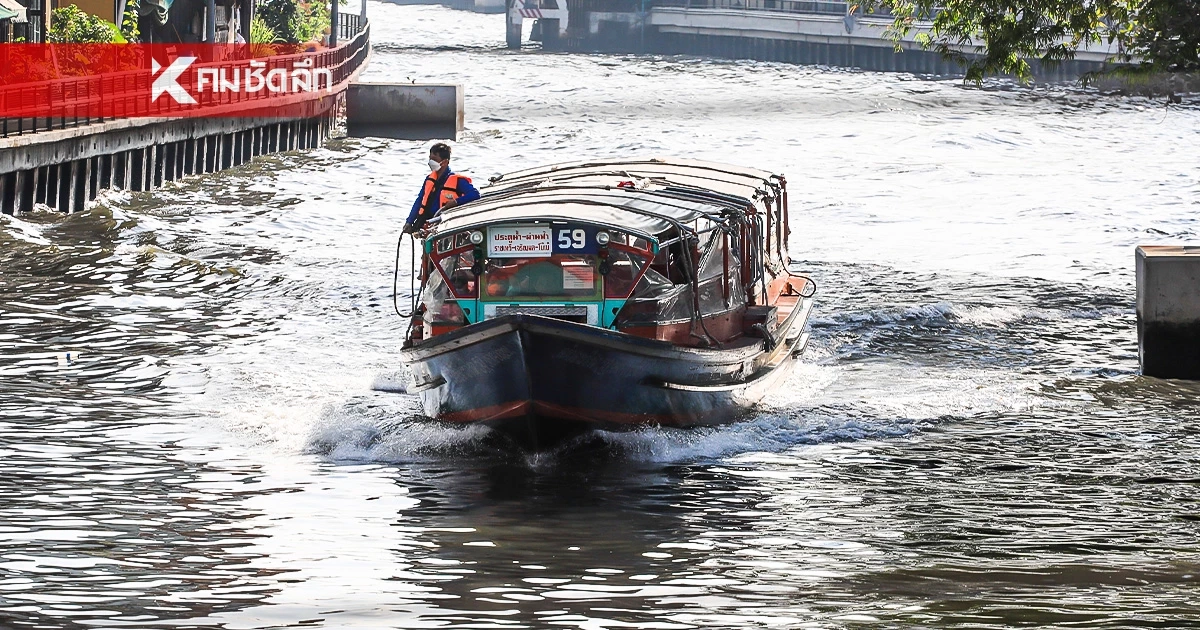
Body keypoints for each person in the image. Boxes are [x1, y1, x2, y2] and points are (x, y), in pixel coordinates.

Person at [402, 143, 480, 235]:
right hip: (429, 224)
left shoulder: (457, 180)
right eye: (430, 159)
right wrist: (409, 222)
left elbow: (475, 194)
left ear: (445, 162)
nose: (431, 162)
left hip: (447, 224)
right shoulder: (429, 179)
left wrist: (456, 202)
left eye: (434, 160)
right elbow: (419, 200)